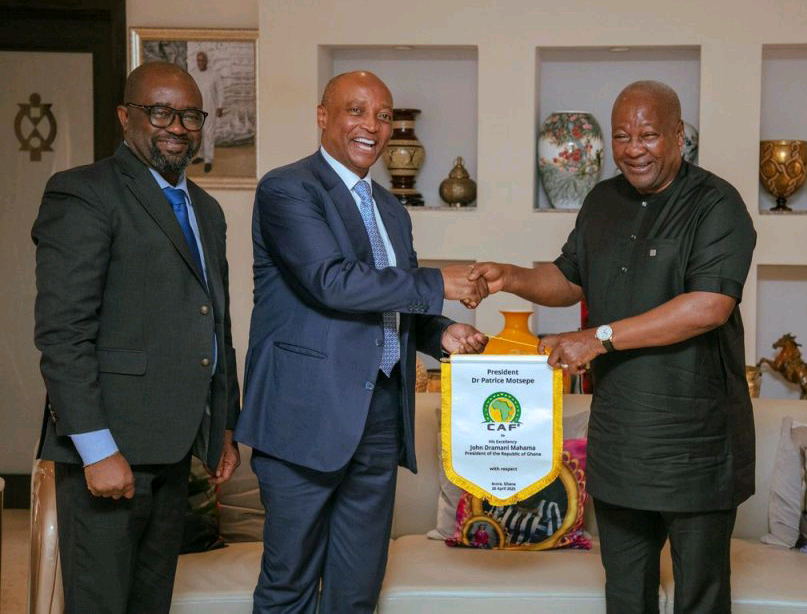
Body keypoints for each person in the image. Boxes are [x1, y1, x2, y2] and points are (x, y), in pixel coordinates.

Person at [470, 80, 756, 613]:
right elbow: (570, 278)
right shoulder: (602, 200)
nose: (633, 149)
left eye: (648, 135)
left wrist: (598, 338)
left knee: (701, 598)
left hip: (695, 444)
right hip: (620, 440)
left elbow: (709, 306)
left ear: (679, 136)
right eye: (622, 136)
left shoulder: (717, 203)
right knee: (625, 597)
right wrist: (510, 276)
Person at [235, 70, 490, 612]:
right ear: (323, 117)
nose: (371, 126)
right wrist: (439, 282)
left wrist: (443, 332)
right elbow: (332, 281)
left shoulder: (391, 209)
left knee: (356, 593)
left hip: (380, 415)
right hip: (304, 415)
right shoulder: (288, 188)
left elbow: (392, 300)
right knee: (288, 589)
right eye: (356, 111)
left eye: (383, 116)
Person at [32, 61, 241, 612]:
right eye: (160, 112)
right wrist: (97, 449)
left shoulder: (206, 210)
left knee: (151, 603)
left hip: (174, 456)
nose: (178, 127)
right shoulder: (83, 193)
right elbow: (63, 333)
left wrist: (223, 425)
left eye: (190, 116)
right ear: (126, 117)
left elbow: (215, 323)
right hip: (109, 451)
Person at [190, 50, 222, 173]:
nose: (201, 62)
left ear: (207, 61)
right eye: (198, 60)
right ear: (196, 62)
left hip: (210, 108)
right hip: (196, 109)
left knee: (209, 134)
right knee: (198, 134)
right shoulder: (193, 74)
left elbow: (220, 90)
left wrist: (220, 106)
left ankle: (208, 160)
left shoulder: (214, 75)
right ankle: (200, 156)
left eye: (203, 60)